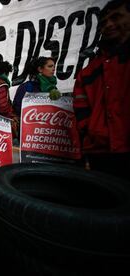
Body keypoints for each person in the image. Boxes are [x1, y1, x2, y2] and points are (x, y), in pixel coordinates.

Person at [73, 0, 130, 181]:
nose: (109, 25)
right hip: (101, 152)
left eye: (116, 17)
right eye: (104, 22)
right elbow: (81, 112)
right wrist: (92, 136)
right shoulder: (88, 72)